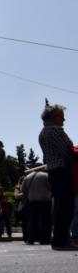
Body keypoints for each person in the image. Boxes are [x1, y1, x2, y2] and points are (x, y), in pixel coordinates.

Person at [38, 103, 77, 250]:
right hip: (62, 171)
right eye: (62, 116)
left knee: (60, 207)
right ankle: (62, 240)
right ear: (53, 117)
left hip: (53, 172)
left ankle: (59, 239)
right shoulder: (56, 131)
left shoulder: (43, 132)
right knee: (66, 208)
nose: (64, 120)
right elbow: (67, 150)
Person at [21, 166, 51, 245]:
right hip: (45, 201)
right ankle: (45, 239)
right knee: (46, 221)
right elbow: (51, 187)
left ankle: (31, 239)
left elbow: (23, 190)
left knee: (32, 221)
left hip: (32, 201)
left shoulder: (28, 176)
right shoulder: (46, 176)